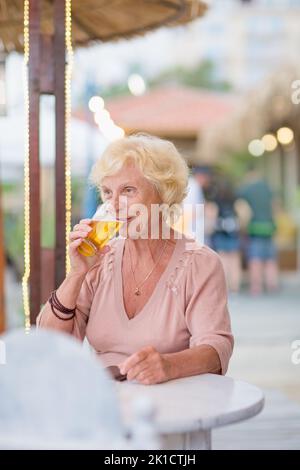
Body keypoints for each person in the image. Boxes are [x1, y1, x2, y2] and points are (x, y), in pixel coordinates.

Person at [37, 134, 233, 384]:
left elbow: (216, 349)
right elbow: (49, 342)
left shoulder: (200, 263)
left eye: (128, 190)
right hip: (103, 406)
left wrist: (168, 365)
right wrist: (77, 273)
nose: (115, 205)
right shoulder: (100, 259)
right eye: (108, 193)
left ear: (163, 193)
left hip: (177, 404)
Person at [238, 166, 279, 295]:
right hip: (269, 226)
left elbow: (240, 206)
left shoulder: (246, 189)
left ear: (248, 174)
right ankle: (272, 284)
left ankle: (256, 286)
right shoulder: (267, 187)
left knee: (255, 258)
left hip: (254, 227)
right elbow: (275, 205)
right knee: (270, 258)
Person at [211, 178, 241, 293]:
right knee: (235, 259)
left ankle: (226, 285)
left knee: (223, 258)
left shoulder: (216, 198)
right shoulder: (235, 197)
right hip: (233, 230)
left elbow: (212, 214)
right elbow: (243, 212)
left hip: (220, 230)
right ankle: (235, 285)